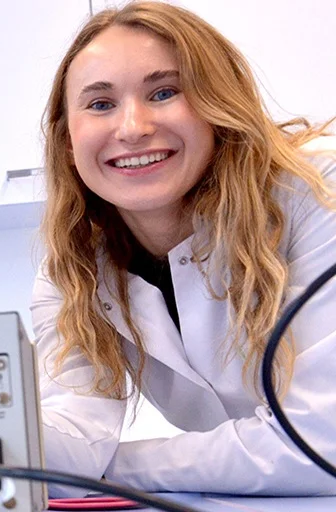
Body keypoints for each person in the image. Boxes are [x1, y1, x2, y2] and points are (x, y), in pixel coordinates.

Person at [34, 1, 336, 497]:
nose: (132, 127)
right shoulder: (74, 268)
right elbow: (75, 438)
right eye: (101, 104)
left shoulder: (317, 191)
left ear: (221, 107)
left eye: (164, 92)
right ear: (68, 141)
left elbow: (320, 442)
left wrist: (116, 468)